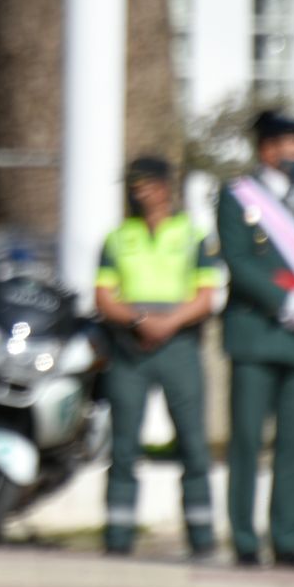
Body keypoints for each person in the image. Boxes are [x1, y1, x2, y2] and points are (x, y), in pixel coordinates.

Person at [216, 111, 294, 569]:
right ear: (268, 148)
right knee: (246, 439)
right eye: (293, 145)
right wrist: (283, 301)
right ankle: (245, 540)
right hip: (256, 332)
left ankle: (289, 538)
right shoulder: (238, 197)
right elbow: (239, 260)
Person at [93, 156, 220, 559]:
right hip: (130, 346)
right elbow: (104, 297)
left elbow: (205, 297)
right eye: (133, 184)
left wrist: (168, 322)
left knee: (193, 445)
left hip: (179, 344)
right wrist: (140, 320)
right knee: (124, 447)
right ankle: (118, 538)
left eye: (146, 183)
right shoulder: (117, 238)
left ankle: (201, 540)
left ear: (166, 187)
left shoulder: (192, 235)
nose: (138, 191)